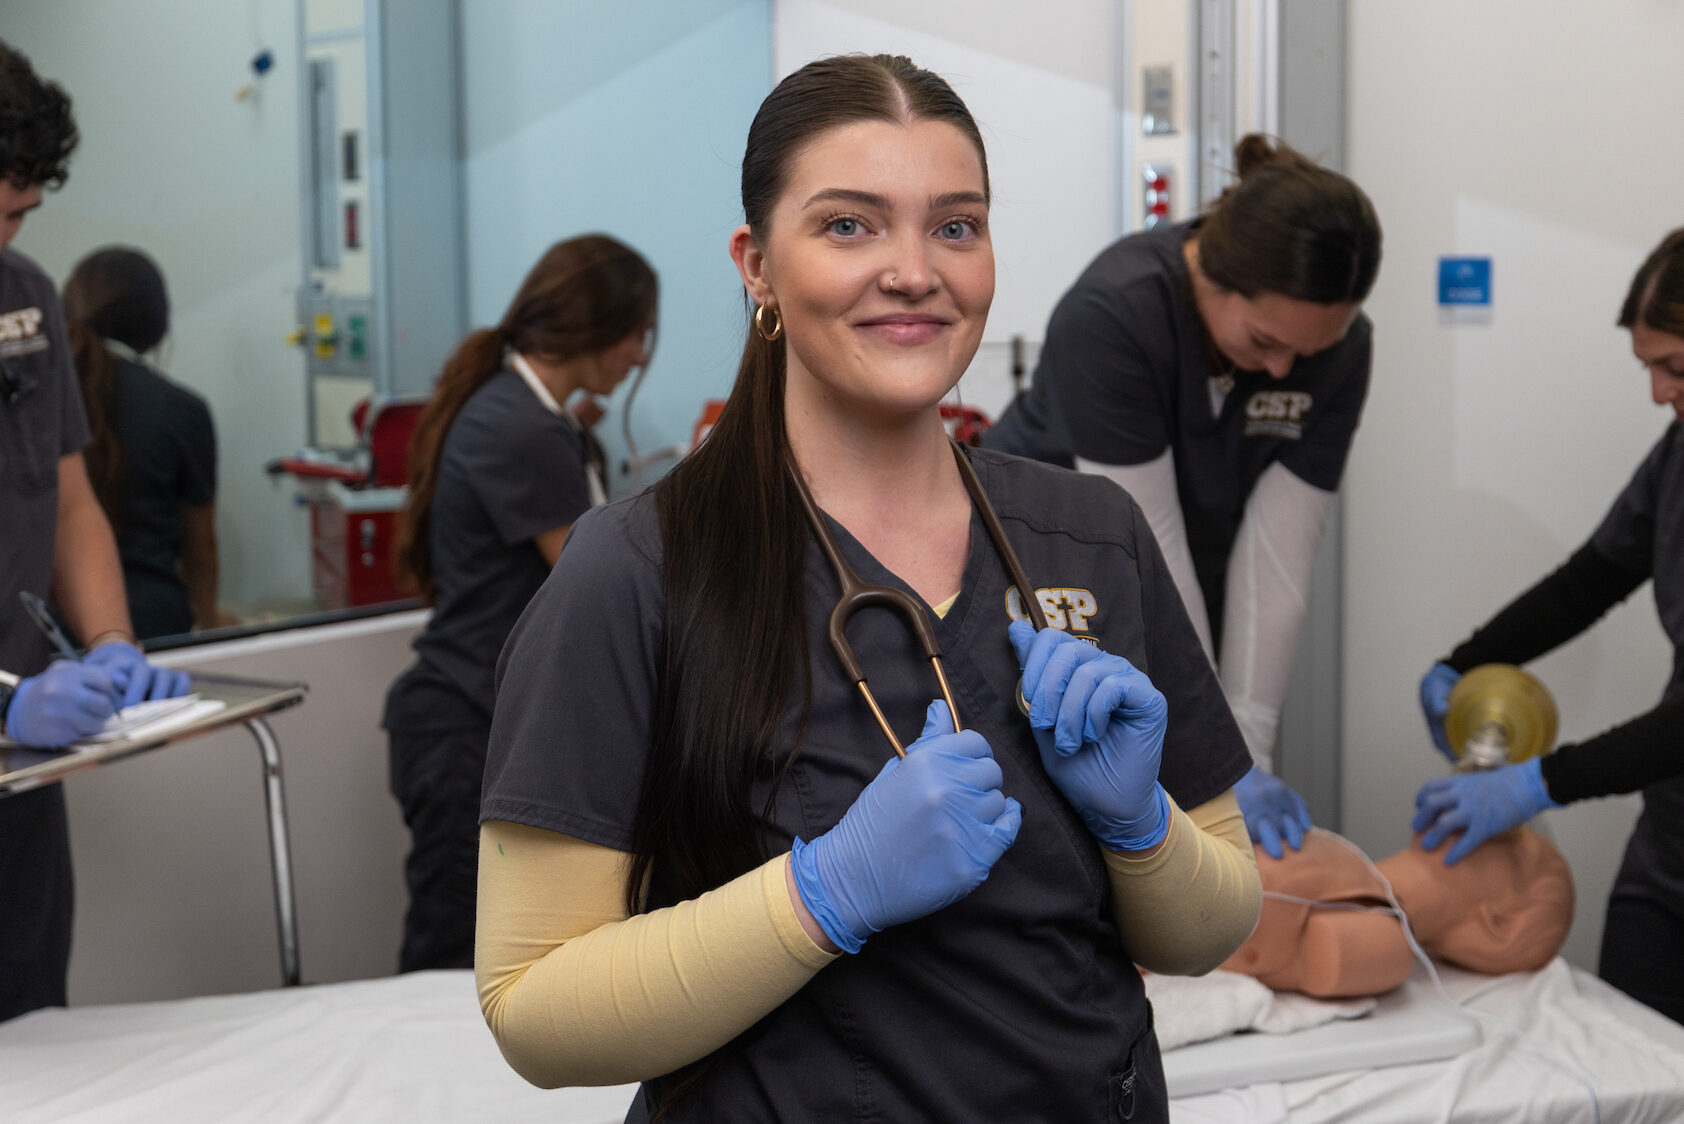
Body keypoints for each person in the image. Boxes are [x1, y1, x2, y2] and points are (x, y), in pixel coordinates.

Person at [475, 55, 1262, 1122]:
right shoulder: (639, 569)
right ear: (756, 264)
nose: (912, 269)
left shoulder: (1090, 536)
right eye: (849, 225)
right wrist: (823, 891)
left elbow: (1213, 925)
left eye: (954, 225)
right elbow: (533, 1006)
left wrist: (1140, 827)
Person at [984, 136, 1382, 860]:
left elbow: (1279, 561)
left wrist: (1244, 760)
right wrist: (1217, 768)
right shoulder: (1117, 312)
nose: (1283, 368)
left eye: (1309, 353)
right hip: (1046, 565)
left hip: (1187, 583)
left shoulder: (1342, 349)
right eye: (1264, 339)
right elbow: (1147, 547)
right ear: (1215, 280)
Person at [1414, 228, 1684, 1025]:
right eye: (1650, 369)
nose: (1660, 393)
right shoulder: (1678, 456)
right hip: (1670, 854)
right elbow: (1593, 579)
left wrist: (1539, 783)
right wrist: (1462, 663)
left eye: (1675, 367)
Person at [384, 234, 656, 973]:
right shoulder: (521, 428)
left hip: (484, 720)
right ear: (595, 328)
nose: (638, 357)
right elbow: (598, 585)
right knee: (447, 965)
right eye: (637, 334)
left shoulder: (545, 423)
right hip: (463, 727)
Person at [0, 38, 189, 1023]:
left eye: (16, 215)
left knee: (34, 1021)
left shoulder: (25, 299)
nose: (1, 239)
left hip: (22, 777)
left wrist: (112, 640)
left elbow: (68, 497)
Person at [62, 246, 230, 641]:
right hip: (154, 625)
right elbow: (200, 547)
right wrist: (209, 621)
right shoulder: (183, 409)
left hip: (51, 624)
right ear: (156, 319)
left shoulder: (36, 399)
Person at [1220, 828, 1573, 998]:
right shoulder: (1352, 862)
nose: (1485, 826)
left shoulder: (1389, 944)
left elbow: (1323, 956)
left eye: (1508, 849)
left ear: (1499, 923)